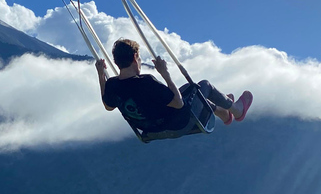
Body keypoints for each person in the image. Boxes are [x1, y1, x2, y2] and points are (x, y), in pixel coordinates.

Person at [96, 38, 252, 134]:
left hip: (149, 128)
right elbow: (178, 103)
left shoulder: (113, 84)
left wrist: (101, 75)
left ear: (116, 61)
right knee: (203, 86)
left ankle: (224, 114)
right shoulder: (146, 82)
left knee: (188, 90)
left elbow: (108, 105)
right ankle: (237, 110)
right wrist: (165, 73)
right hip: (176, 121)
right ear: (135, 57)